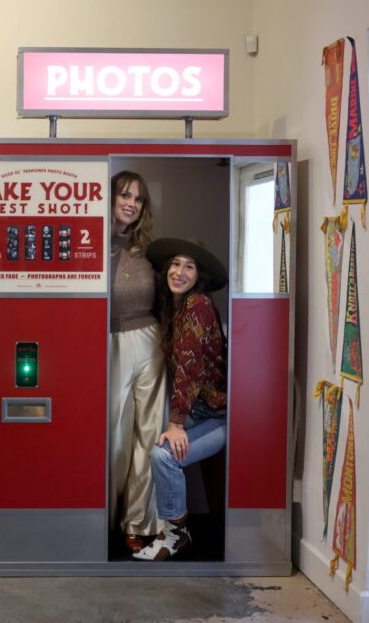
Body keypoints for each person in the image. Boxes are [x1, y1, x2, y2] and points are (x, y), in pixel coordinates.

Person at [134, 237, 228, 561]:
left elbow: (189, 365)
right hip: (199, 413)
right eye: (176, 264)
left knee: (164, 456)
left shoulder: (197, 304)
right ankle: (157, 524)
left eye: (189, 267)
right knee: (148, 440)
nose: (180, 272)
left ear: (198, 276)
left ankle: (176, 534)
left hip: (219, 415)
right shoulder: (176, 307)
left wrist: (175, 425)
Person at [108, 171, 168, 553]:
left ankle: (138, 522)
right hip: (108, 343)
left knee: (148, 436)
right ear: (110, 198)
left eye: (138, 198)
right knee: (114, 434)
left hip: (150, 343)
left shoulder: (150, 251)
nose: (131, 202)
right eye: (124, 195)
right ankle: (101, 515)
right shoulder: (91, 245)